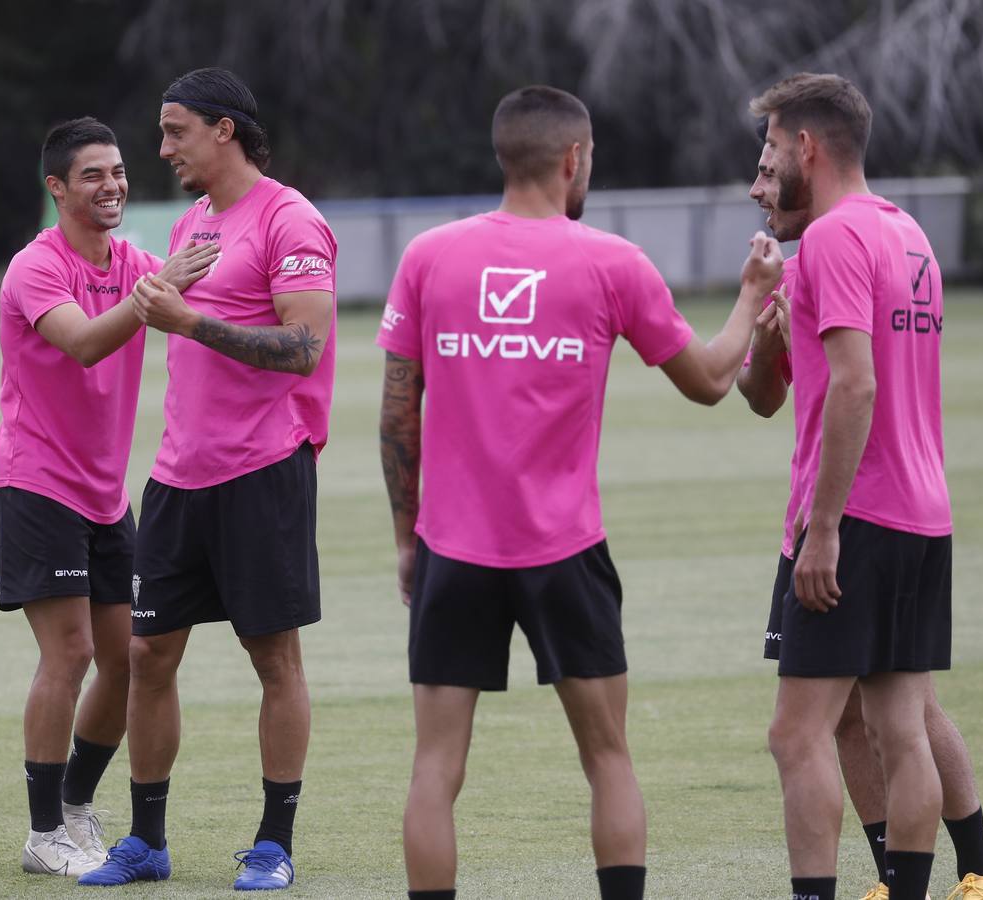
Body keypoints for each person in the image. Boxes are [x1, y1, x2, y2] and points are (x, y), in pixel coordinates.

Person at [375, 84, 783, 900]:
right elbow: (707, 381)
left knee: (434, 766)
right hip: (565, 551)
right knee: (606, 758)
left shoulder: (429, 256)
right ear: (573, 159)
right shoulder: (610, 262)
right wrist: (749, 296)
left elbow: (397, 412)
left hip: (453, 549)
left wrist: (405, 538)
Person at [79, 68, 337, 891]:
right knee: (149, 654)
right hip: (177, 478)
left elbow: (304, 346)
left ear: (224, 130)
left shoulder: (290, 218)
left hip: (263, 472)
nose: (162, 149)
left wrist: (189, 319)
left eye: (176, 131)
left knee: (274, 660)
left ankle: (273, 843)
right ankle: (146, 841)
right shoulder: (195, 221)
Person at [742, 130, 983, 900]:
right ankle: (919, 883)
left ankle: (971, 869)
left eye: (765, 163)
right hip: (915, 510)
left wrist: (822, 529)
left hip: (851, 513)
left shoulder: (834, 241)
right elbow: (765, 394)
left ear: (806, 149)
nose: (755, 187)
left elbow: (855, 388)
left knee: (801, 732)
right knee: (885, 718)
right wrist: (764, 325)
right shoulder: (903, 233)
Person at [0, 117, 219, 877]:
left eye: (117, 171)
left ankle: (78, 807)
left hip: (105, 496)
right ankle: (43, 832)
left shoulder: (134, 262)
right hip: (35, 483)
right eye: (92, 174)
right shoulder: (35, 267)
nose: (112, 185)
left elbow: (210, 290)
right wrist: (162, 288)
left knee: (126, 662)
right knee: (72, 653)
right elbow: (85, 340)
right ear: (56, 187)